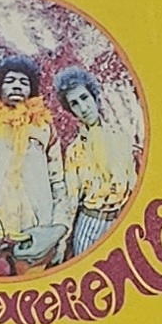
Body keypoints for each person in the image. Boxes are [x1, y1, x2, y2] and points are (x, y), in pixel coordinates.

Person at [0, 55, 69, 273]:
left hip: (34, 233)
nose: (17, 86)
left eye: (24, 82)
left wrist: (57, 229)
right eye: (10, 81)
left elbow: (58, 183)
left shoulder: (44, 127)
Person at [55, 67, 139, 258]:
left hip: (120, 222)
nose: (83, 108)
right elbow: (70, 200)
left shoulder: (120, 137)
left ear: (94, 97)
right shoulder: (75, 151)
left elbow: (132, 183)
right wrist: (61, 244)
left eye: (84, 98)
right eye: (75, 104)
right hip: (89, 225)